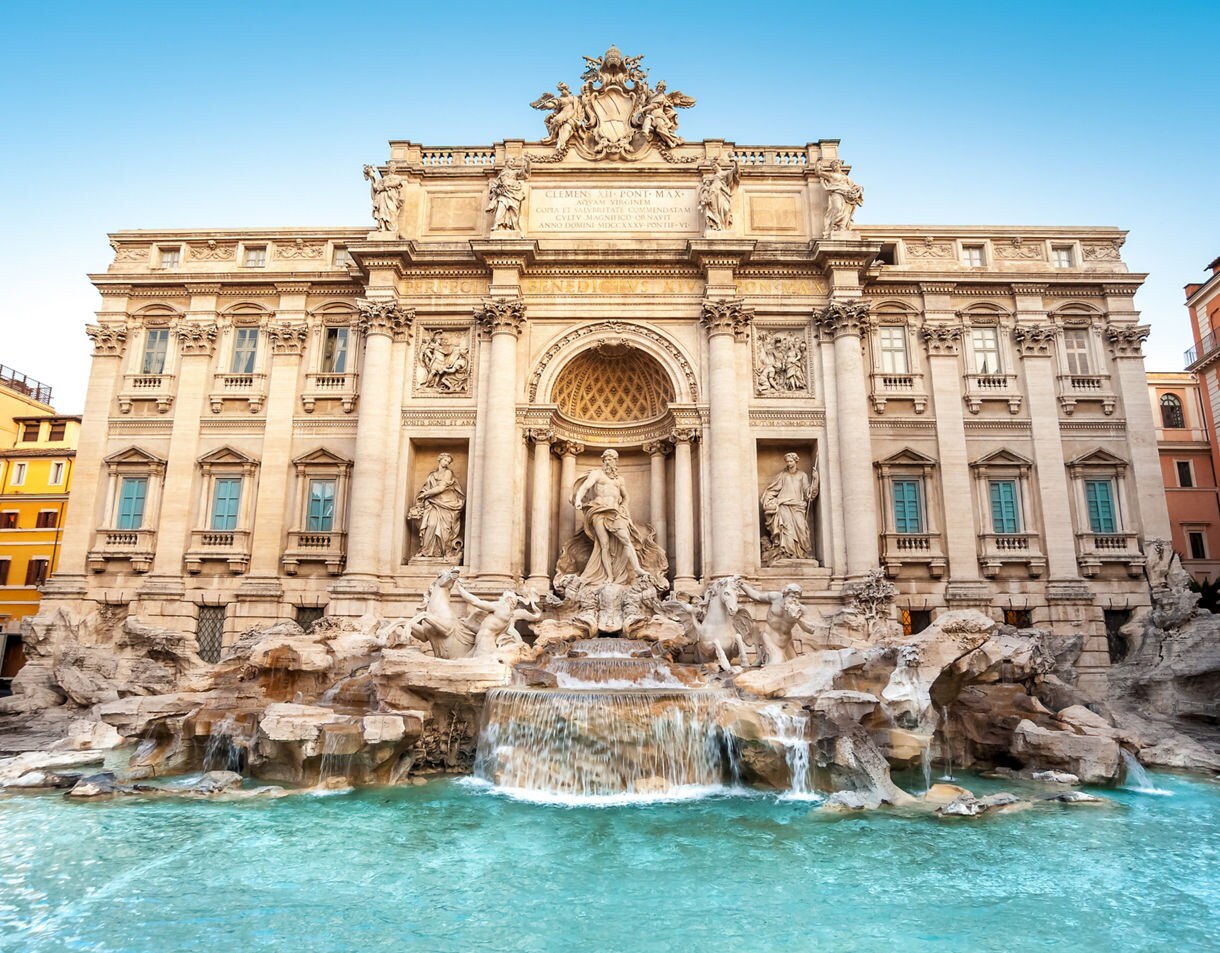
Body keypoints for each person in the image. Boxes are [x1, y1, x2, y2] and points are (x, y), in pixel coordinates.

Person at [571, 449, 647, 584]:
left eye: (610, 459)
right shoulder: (597, 474)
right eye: (605, 459)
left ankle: (637, 568)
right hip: (598, 511)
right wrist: (578, 500)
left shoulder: (619, 480)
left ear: (616, 461)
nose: (607, 461)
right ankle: (609, 576)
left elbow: (626, 497)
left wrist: (624, 507)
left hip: (615, 512)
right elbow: (585, 487)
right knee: (603, 544)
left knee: (626, 539)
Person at [452, 581, 542, 656]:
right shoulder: (507, 615)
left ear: (509, 599)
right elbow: (486, 628)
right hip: (483, 643)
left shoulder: (501, 608)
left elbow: (475, 602)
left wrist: (459, 589)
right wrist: (468, 625)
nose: (500, 598)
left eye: (503, 597)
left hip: (485, 645)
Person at [739, 580, 817, 665]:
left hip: (786, 642)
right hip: (770, 638)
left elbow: (811, 630)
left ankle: (762, 657)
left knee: (794, 665)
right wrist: (742, 585)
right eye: (792, 596)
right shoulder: (775, 597)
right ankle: (764, 656)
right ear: (785, 595)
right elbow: (757, 596)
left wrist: (798, 619)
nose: (794, 600)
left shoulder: (801, 609)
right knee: (777, 664)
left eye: (797, 598)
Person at [760, 453, 818, 559]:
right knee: (787, 529)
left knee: (801, 528)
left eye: (791, 461)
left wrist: (816, 480)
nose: (789, 463)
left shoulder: (802, 475)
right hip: (784, 505)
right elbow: (773, 489)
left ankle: (802, 552)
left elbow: (808, 493)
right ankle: (788, 553)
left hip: (798, 506)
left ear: (796, 461)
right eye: (787, 461)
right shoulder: (782, 475)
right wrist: (768, 499)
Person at [412, 454, 465, 558]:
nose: (446, 463)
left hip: (447, 503)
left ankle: (442, 552)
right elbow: (426, 488)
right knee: (431, 525)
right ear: (439, 460)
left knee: (444, 530)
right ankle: (426, 551)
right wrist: (423, 494)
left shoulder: (448, 473)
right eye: (445, 460)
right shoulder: (432, 475)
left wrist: (425, 494)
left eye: (448, 462)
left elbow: (441, 488)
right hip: (433, 503)